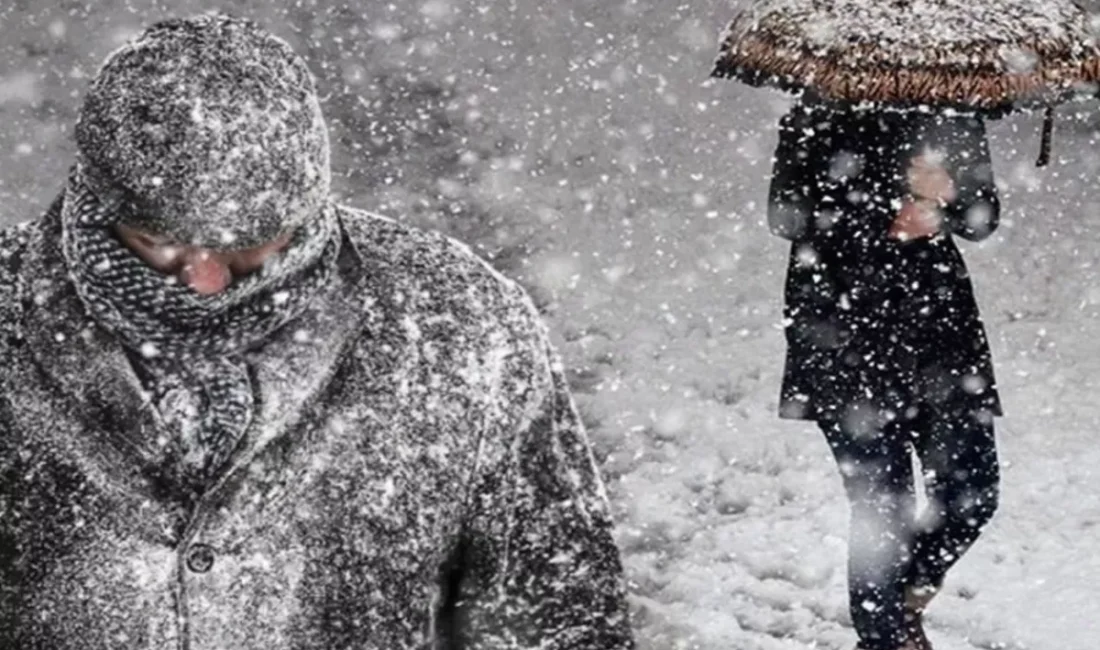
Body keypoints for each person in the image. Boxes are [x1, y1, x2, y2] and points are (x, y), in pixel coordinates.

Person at [0, 13, 634, 649]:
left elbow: (558, 614)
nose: (206, 282)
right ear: (96, 201)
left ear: (306, 209)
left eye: (249, 247)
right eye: (159, 243)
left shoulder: (454, 320)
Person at [767, 97, 1002, 650]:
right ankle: (886, 638)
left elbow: (985, 217)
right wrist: (885, 208)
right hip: (844, 337)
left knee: (973, 490)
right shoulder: (815, 113)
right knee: (882, 512)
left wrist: (947, 199)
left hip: (941, 340)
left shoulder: (951, 110)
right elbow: (787, 216)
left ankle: (901, 602)